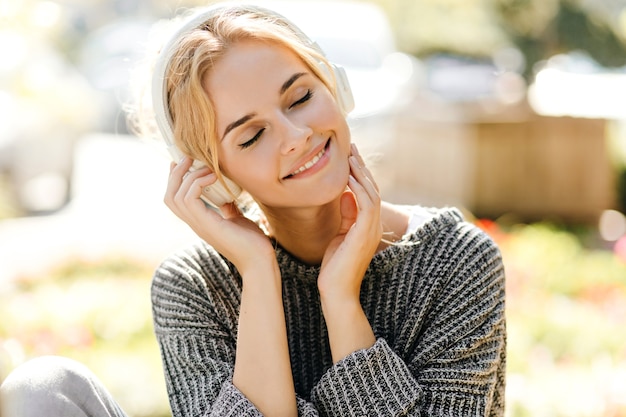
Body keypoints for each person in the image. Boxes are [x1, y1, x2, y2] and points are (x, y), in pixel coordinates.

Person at [0, 2, 506, 416]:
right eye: (254, 134)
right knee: (44, 389)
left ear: (336, 87)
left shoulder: (456, 260)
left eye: (301, 97)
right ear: (216, 177)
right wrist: (259, 273)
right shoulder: (193, 287)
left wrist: (341, 302)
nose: (296, 136)